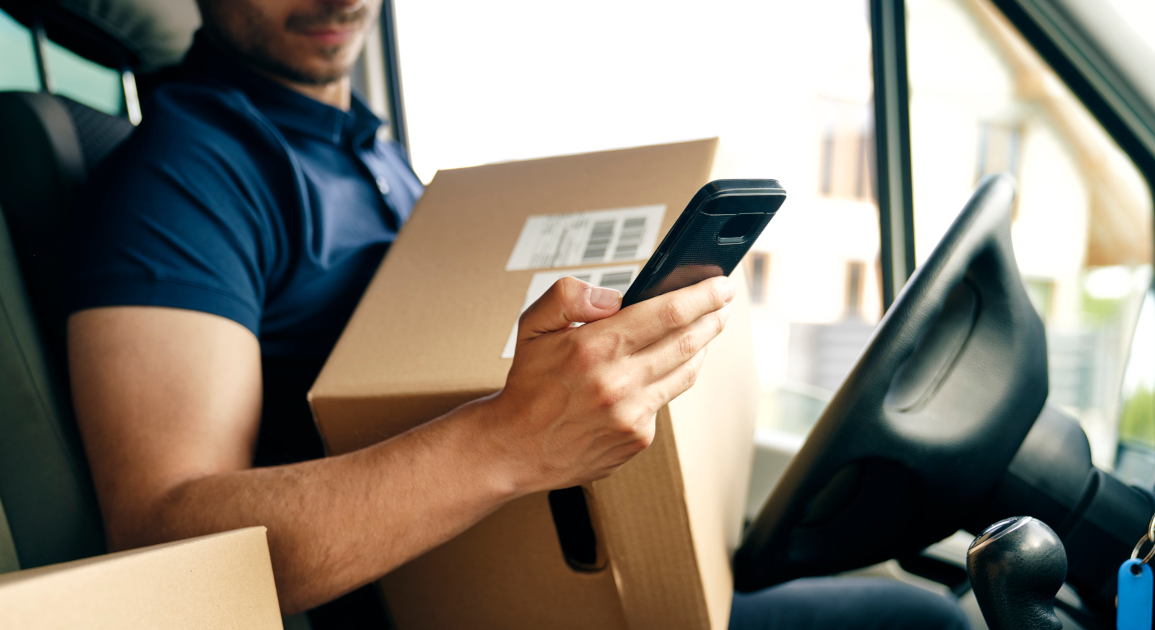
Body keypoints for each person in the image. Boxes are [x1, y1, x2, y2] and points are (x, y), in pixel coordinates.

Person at [64, 0, 970, 628]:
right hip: (428, 610)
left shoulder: (365, 146)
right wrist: (514, 438)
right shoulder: (187, 175)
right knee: (918, 619)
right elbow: (162, 538)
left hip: (536, 576)